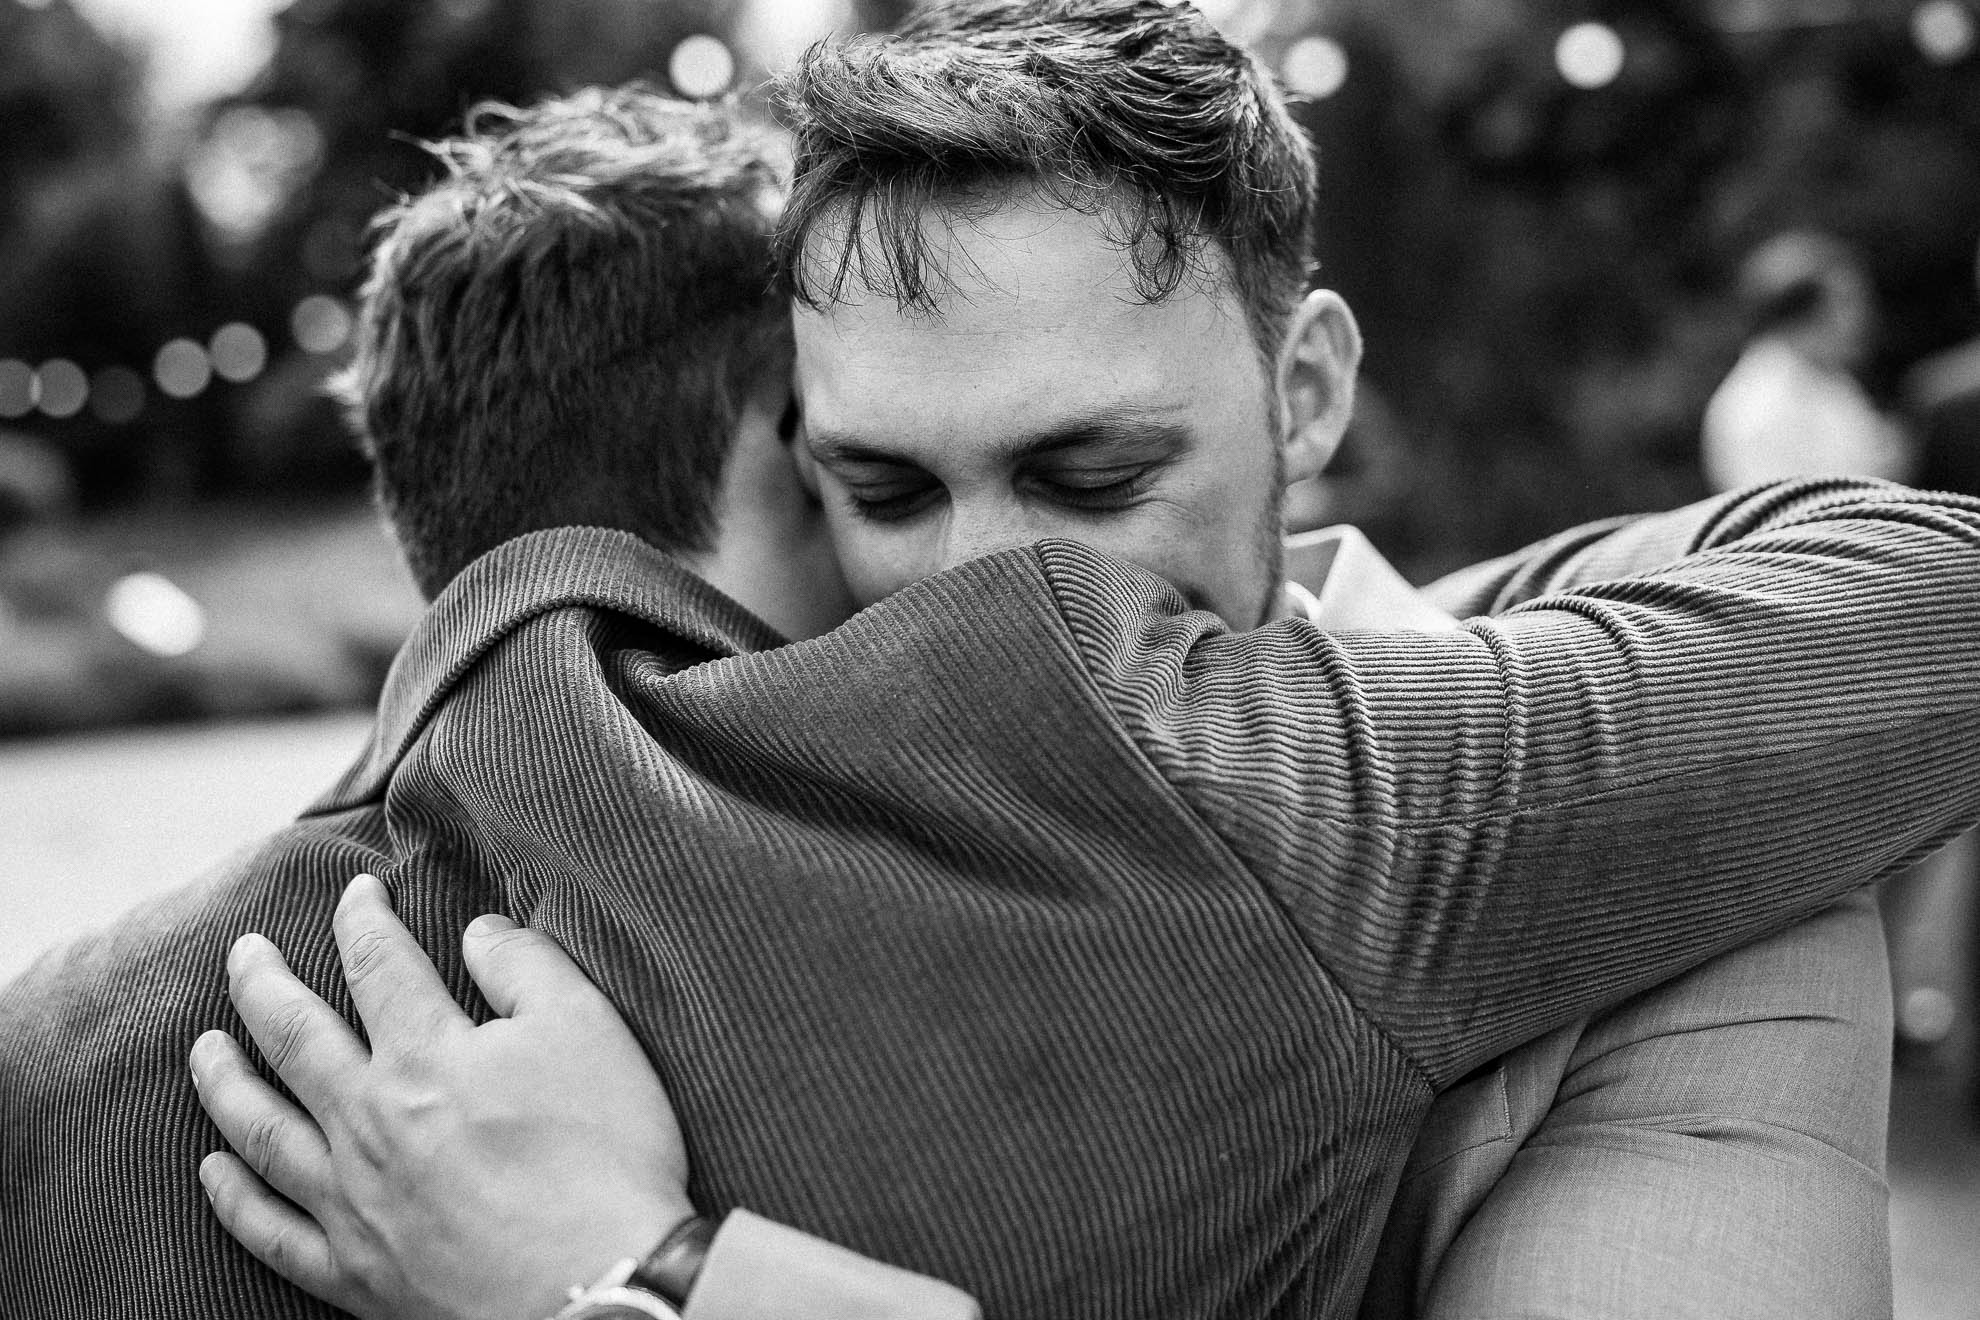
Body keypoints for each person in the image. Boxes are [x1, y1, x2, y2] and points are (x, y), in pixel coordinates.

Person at [2, 22, 1971, 1320]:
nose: (971, 596)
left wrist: (635, 1279)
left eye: (1086, 474)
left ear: (1309, 389)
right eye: (881, 490)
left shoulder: (1655, 859)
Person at [1701, 229, 1916, 492]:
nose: (1863, 317)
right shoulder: (1758, 408)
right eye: (1847, 303)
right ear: (1802, 315)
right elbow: (1788, 519)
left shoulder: (1828, 378)